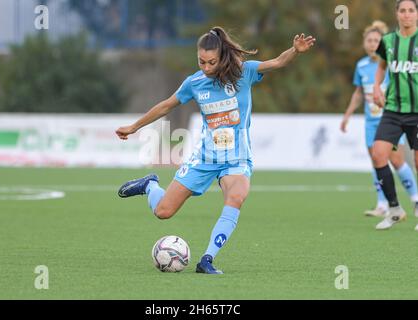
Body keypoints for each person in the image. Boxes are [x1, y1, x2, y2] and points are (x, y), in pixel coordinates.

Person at [116, 26, 315, 273]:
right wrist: (135, 126)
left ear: (222, 57)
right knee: (163, 212)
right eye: (201, 62)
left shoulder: (245, 72)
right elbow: (167, 106)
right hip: (205, 157)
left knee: (236, 197)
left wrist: (295, 51)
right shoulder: (194, 83)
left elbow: (277, 62)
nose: (206, 67)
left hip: (237, 159)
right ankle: (150, 186)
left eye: (211, 62)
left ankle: (207, 259)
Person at [340, 20, 418, 218]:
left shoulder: (392, 62)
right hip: (371, 123)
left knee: (397, 160)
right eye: (369, 40)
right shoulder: (361, 65)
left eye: (376, 40)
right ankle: (383, 203)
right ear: (364, 43)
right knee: (377, 160)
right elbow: (359, 93)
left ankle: (415, 198)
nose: (373, 44)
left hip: (392, 119)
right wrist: (347, 115)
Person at [372, 0, 418, 230]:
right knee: (378, 154)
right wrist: (377, 86)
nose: (407, 15)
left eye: (411, 10)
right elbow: (382, 65)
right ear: (397, 14)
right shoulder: (388, 41)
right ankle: (394, 209)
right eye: (403, 10)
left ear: (417, 14)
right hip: (393, 109)